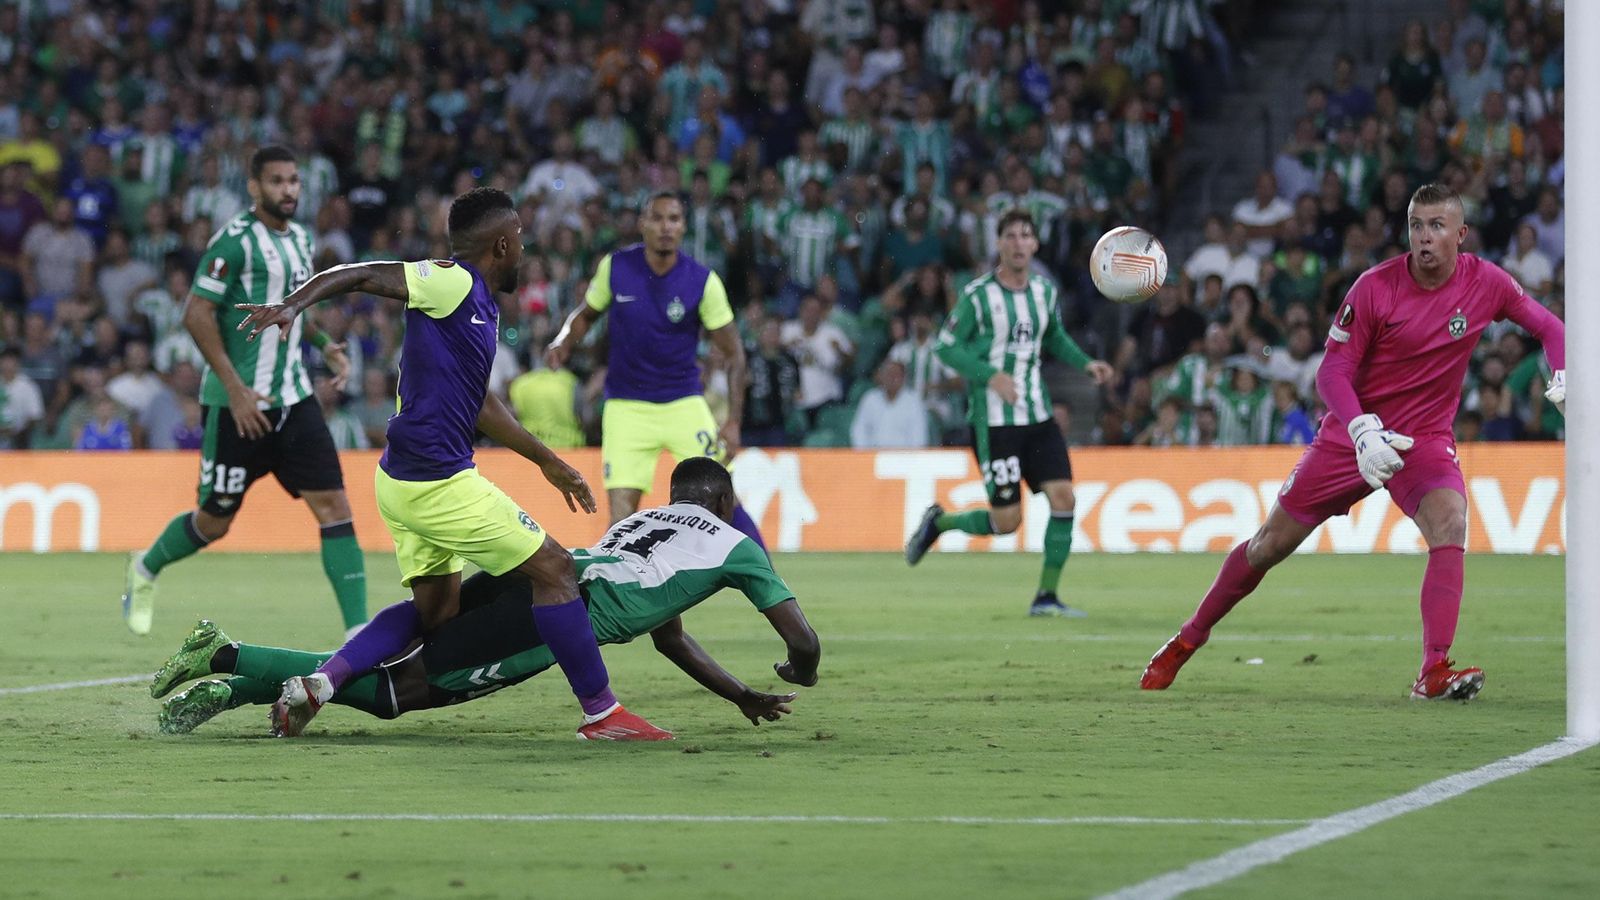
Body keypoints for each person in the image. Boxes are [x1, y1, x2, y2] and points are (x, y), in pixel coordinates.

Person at [235, 186, 667, 742]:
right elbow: (364, 272)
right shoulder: (453, 280)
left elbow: (483, 404)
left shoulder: (477, 306)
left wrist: (549, 463)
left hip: (399, 482)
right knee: (557, 570)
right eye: (521, 243)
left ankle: (323, 681)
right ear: (504, 244)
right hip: (436, 483)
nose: (525, 252)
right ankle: (602, 713)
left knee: (436, 611)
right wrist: (295, 304)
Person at [1141, 184, 1566, 700]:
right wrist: (1363, 431)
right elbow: (1332, 371)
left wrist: (1562, 374)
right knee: (1268, 546)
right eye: (1415, 225)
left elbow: (1549, 327)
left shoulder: (1488, 283)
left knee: (1451, 521)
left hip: (1425, 438)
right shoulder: (1375, 287)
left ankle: (1433, 671)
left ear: (1461, 233)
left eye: (1436, 226)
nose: (1424, 237)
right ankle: (1188, 639)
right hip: (1351, 437)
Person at [151, 459, 821, 736]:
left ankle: (233, 670)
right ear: (727, 503)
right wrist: (800, 672)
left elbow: (669, 634)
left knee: (411, 635)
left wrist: (735, 695)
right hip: (559, 616)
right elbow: (802, 639)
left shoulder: (640, 524)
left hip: (535, 569)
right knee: (398, 694)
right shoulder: (736, 544)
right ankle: (228, 655)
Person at [120, 146, 367, 639]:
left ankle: (359, 634)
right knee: (213, 522)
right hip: (239, 408)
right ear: (254, 187)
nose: (289, 190)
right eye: (277, 181)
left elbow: (292, 307)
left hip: (294, 401)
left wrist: (324, 345)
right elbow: (195, 313)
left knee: (335, 508)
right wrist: (235, 389)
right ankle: (144, 568)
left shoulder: (301, 238)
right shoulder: (232, 242)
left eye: (294, 180)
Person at [904, 210, 1114, 617]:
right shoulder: (978, 295)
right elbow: (946, 345)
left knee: (1064, 497)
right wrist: (990, 376)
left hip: (1038, 417)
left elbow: (1053, 336)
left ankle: (1046, 597)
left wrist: (1086, 363)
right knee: (1006, 523)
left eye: (1026, 236)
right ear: (999, 244)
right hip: (995, 421)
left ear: (1035, 245)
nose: (1019, 243)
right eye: (1011, 236)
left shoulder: (1043, 292)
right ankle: (940, 523)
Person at [545, 191, 763, 545]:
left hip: (684, 403)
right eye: (658, 218)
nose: (666, 227)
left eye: (674, 219)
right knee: (621, 519)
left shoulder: (702, 281)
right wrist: (563, 342)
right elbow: (585, 314)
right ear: (643, 224)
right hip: (626, 407)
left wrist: (734, 420)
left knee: (725, 498)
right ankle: (619, 597)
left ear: (683, 228)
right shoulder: (616, 268)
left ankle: (770, 584)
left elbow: (735, 352)